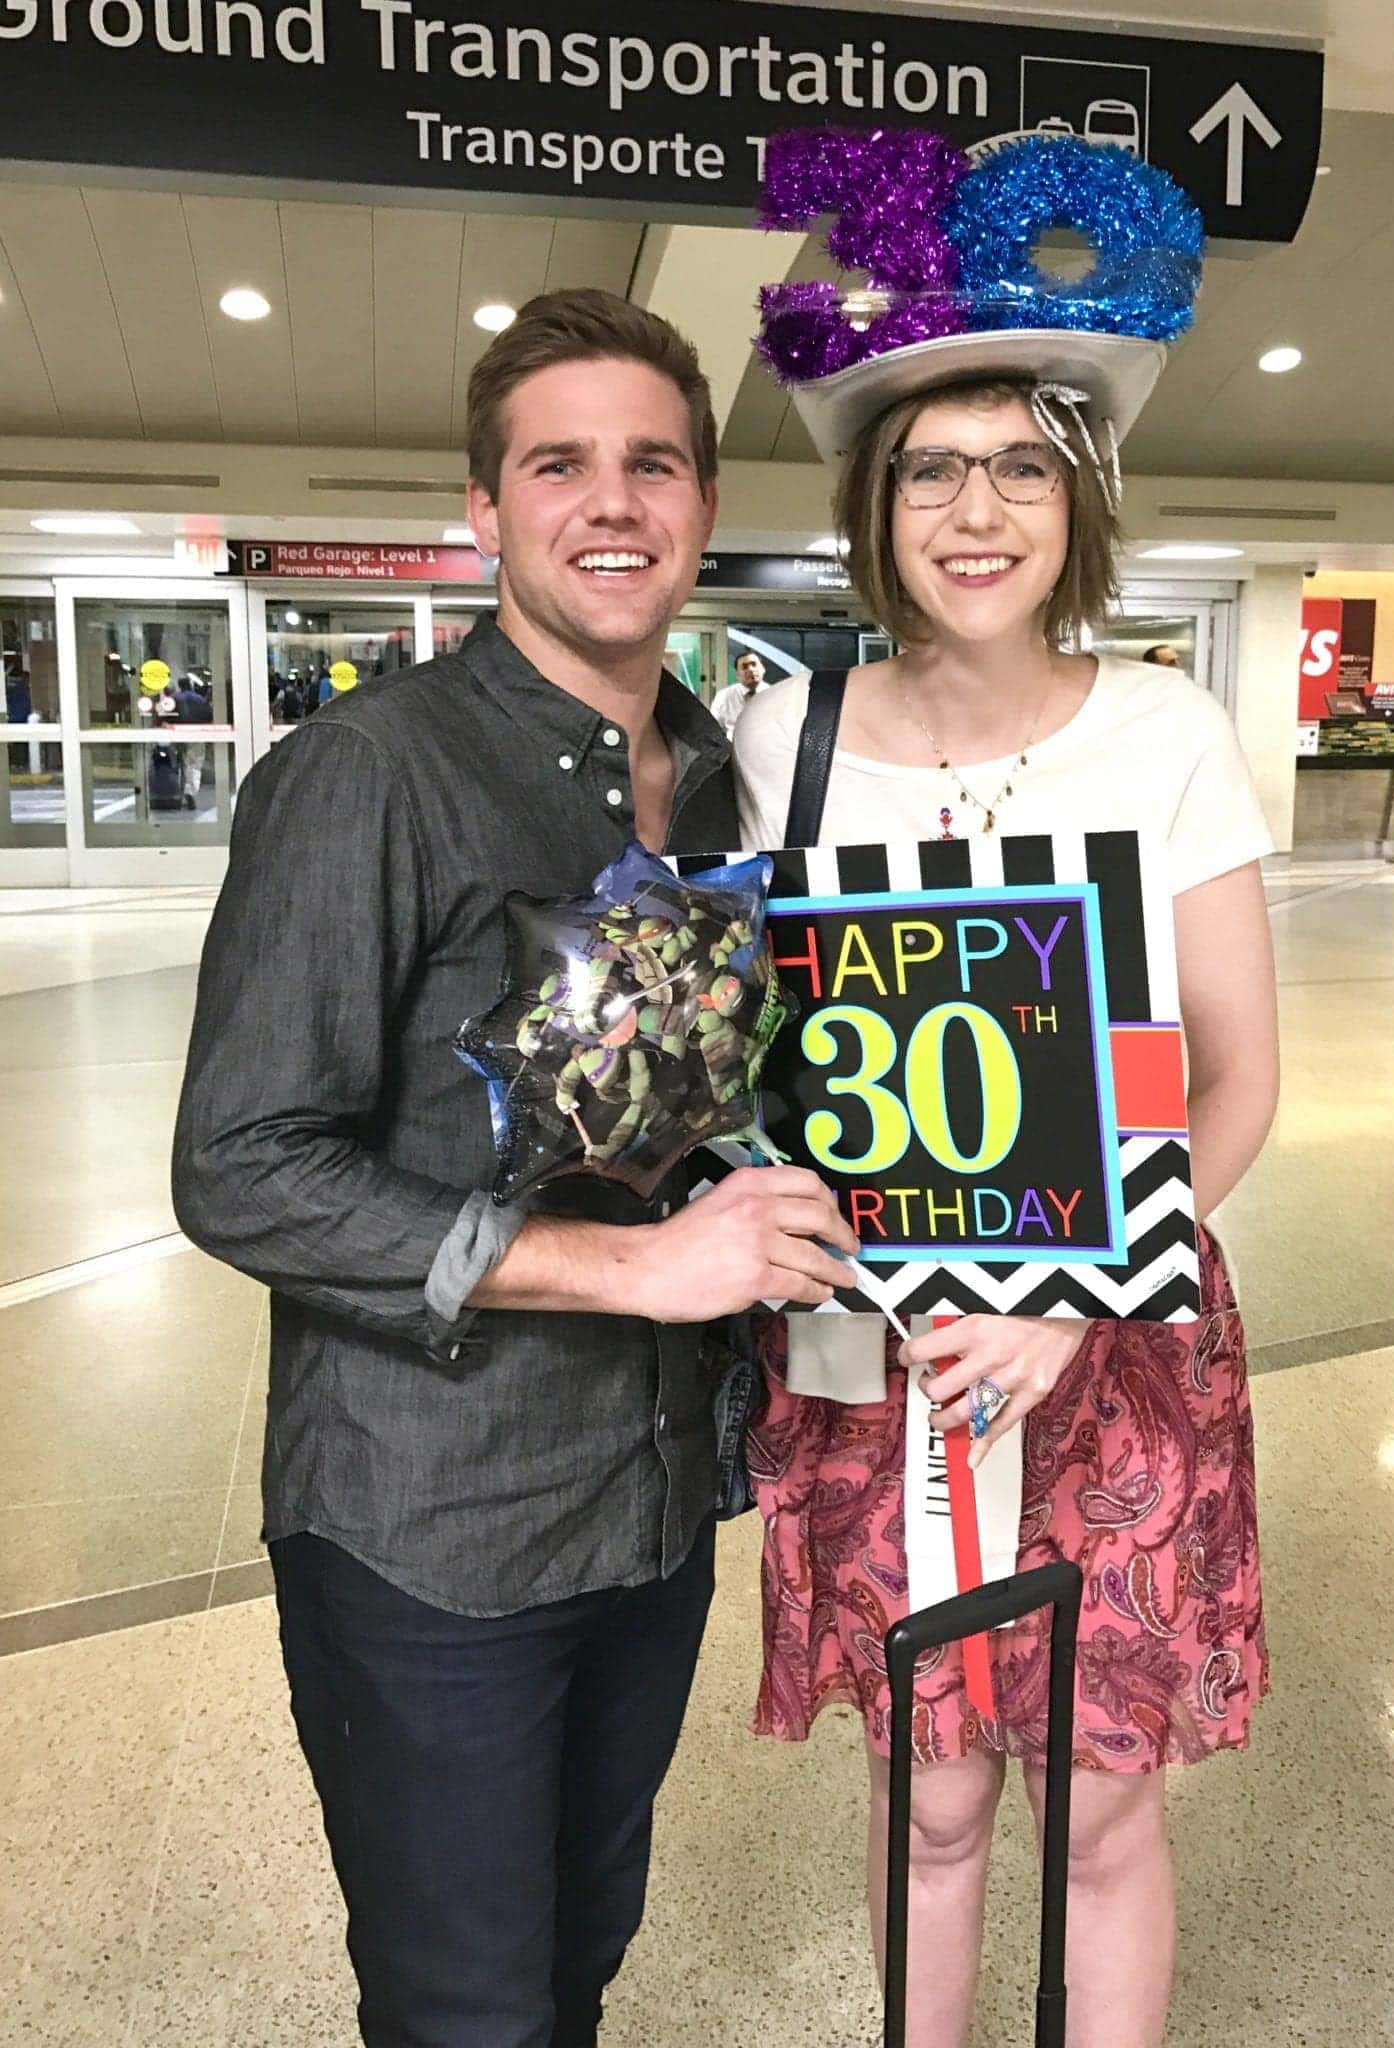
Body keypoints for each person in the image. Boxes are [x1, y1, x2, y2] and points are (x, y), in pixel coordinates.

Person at [172, 287, 853, 2048]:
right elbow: (242, 1166)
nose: (609, 502)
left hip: (645, 1510)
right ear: (483, 510)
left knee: (574, 1957)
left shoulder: (709, 780)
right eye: (558, 463)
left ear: (704, 503)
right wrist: (633, 1266)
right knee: (464, 2002)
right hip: (430, 1527)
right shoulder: (365, 776)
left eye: (652, 463)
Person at [732, 131, 1278, 2048]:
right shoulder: (780, 734)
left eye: (1017, 466)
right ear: (876, 504)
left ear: (1075, 498)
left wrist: (1071, 1286)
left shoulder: (1163, 728)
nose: (974, 508)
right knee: (929, 1792)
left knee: (1102, 1794)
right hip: (873, 1354)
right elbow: (756, 1046)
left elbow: (1234, 1078)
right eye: (931, 468)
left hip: (1105, 1342)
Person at [710, 648, 769, 735]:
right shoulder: (724, 696)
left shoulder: (776, 694)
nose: (751, 669)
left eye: (754, 664)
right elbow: (712, 729)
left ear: (763, 669)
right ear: (737, 674)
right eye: (744, 667)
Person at [174, 670, 212, 804]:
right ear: (190, 685)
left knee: (181, 761)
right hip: (197, 733)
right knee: (195, 763)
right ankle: (190, 790)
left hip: (177, 734)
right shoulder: (199, 699)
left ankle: (178, 787)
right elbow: (208, 715)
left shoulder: (174, 698)